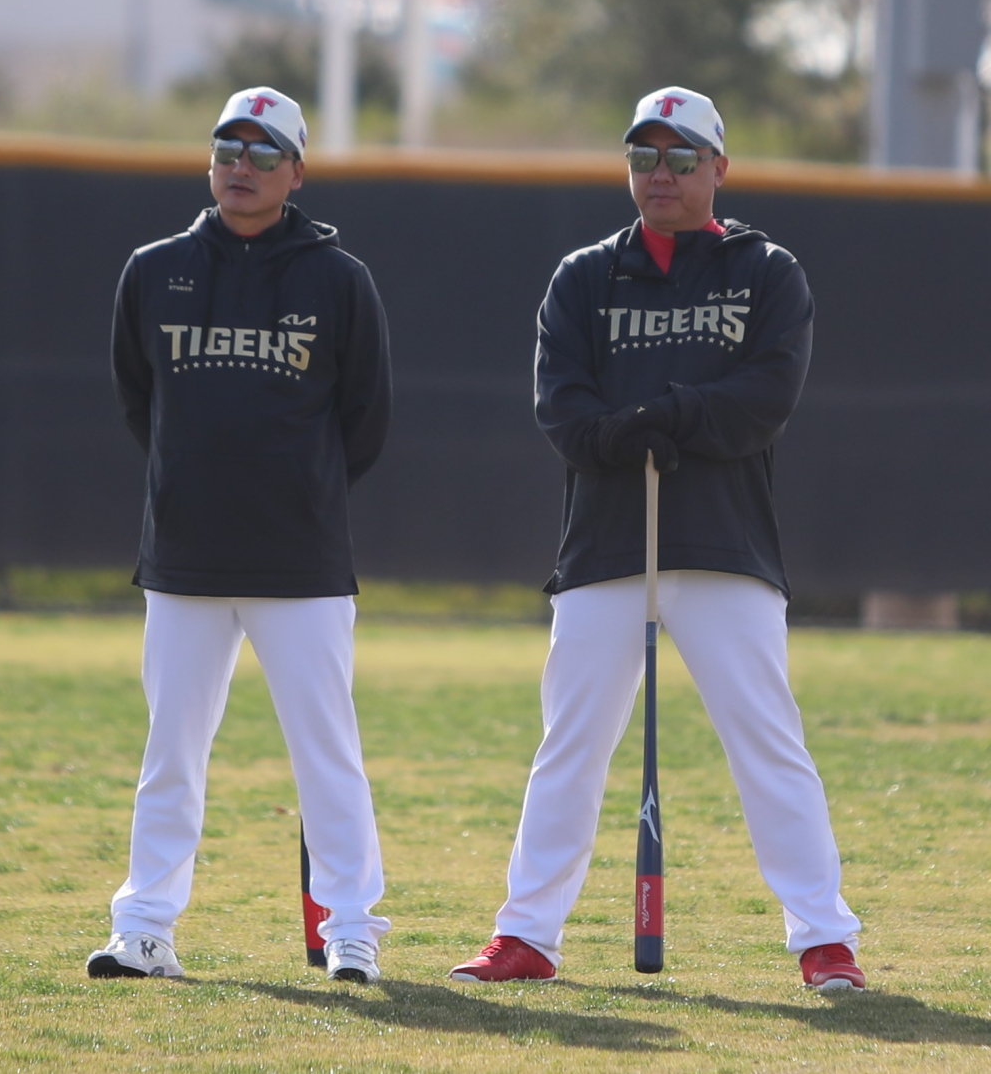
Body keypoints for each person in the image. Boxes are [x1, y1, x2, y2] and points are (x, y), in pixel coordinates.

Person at [450, 85, 864, 993]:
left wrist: (664, 416)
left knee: (768, 743)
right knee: (570, 745)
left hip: (724, 545)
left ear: (719, 167)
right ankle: (527, 933)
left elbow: (765, 398)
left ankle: (825, 937)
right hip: (606, 546)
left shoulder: (767, 271)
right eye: (644, 156)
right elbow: (563, 410)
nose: (661, 173)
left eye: (681, 157)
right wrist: (628, 433)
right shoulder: (583, 277)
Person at [87, 87, 391, 985]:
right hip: (185, 556)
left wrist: (297, 492)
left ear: (297, 172)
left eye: (263, 153)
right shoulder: (154, 269)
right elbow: (139, 400)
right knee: (170, 754)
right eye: (228, 149)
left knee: (327, 756)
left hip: (300, 560)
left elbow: (365, 420)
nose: (242, 167)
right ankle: (144, 927)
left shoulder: (340, 280)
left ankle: (352, 928)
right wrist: (196, 482)